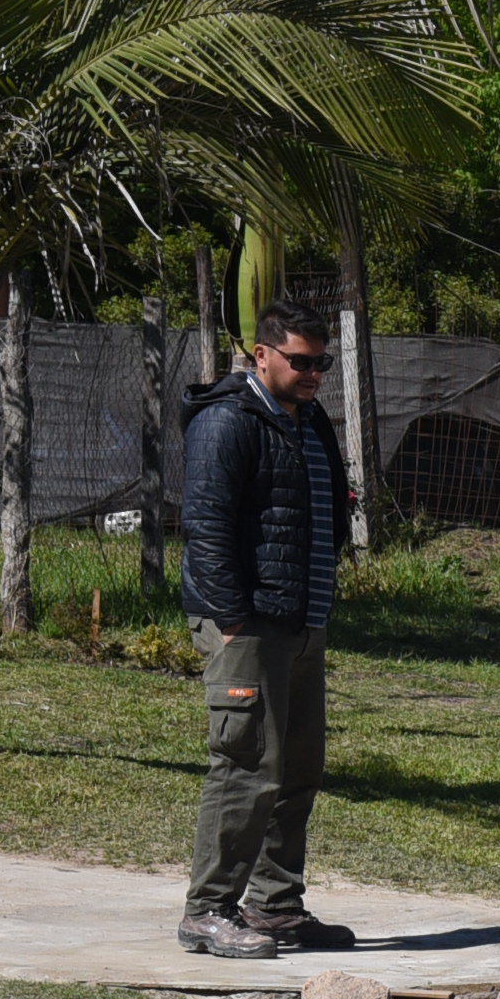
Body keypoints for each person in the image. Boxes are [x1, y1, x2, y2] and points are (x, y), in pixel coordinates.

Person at [173, 294, 353, 959]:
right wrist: (232, 619)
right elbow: (206, 526)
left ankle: (275, 907)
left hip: (302, 619)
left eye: (322, 362)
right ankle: (208, 911)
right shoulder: (228, 421)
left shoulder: (309, 420)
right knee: (247, 766)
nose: (314, 374)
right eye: (302, 362)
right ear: (262, 355)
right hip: (246, 625)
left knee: (297, 768)